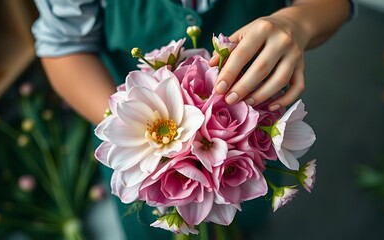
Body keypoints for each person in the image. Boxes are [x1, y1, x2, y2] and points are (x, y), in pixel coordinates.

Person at [32, 0, 356, 239]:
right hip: (139, 150)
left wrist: (298, 23)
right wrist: (136, 134)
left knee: (249, 211)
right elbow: (64, 42)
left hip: (254, 136)